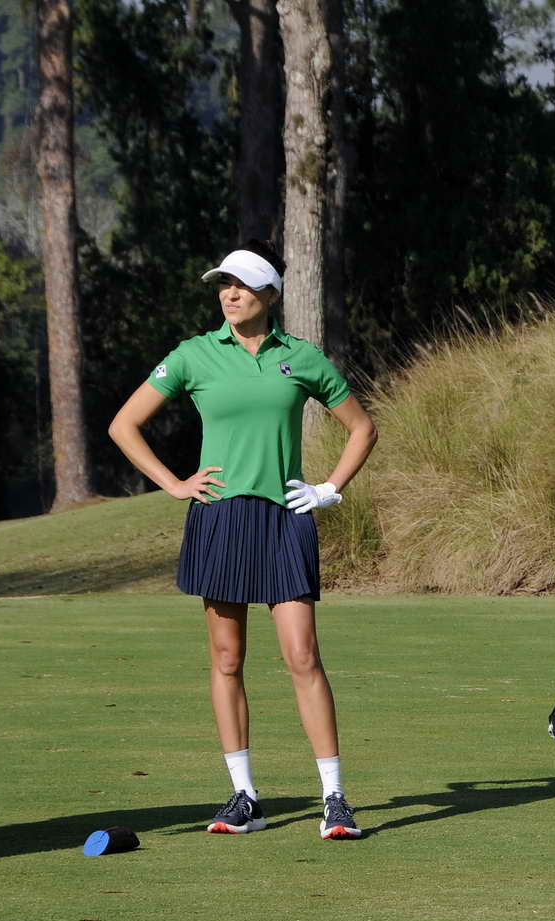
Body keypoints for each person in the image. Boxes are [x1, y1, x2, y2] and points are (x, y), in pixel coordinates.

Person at [108, 241, 378, 840]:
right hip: (220, 518)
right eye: (223, 286)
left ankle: (334, 798)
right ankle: (244, 796)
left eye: (243, 285)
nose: (230, 295)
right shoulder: (193, 355)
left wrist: (328, 490)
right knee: (227, 660)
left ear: (271, 296)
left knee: (302, 656)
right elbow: (123, 425)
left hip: (284, 518)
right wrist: (175, 484)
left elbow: (362, 428)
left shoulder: (301, 357)